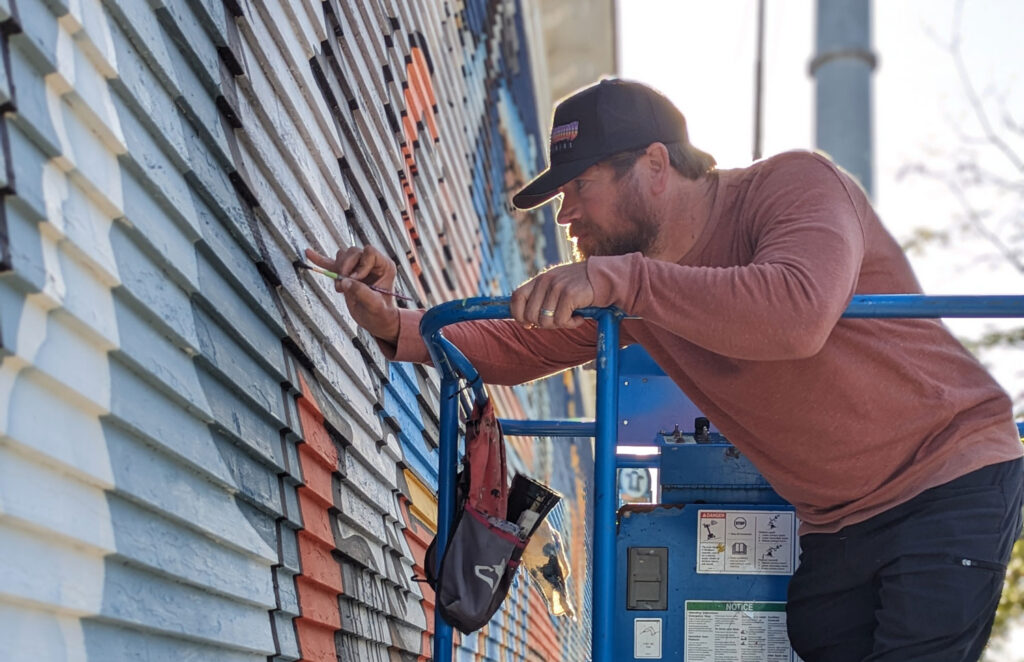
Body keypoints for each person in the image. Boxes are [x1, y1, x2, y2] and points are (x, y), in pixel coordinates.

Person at [306, 78, 1024, 661]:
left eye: (577, 189)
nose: (566, 218)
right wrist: (396, 325)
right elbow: (522, 345)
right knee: (817, 634)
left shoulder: (793, 188)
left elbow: (799, 312)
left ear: (653, 167)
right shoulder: (637, 291)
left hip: (949, 472)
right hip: (842, 520)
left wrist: (629, 282)